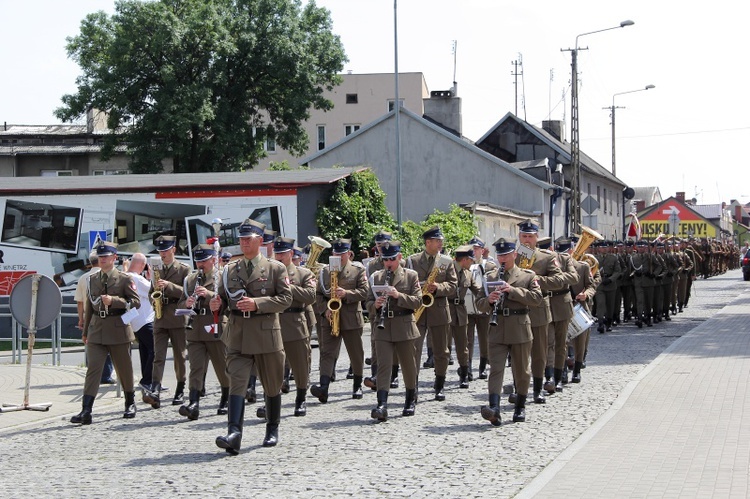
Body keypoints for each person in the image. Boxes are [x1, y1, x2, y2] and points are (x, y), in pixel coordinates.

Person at [211, 218, 292, 454]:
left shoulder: (276, 268)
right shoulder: (229, 270)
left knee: (272, 384)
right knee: (237, 381)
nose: (243, 243)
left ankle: (272, 428)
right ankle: (234, 432)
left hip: (266, 334)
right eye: (241, 239)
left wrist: (257, 303)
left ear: (259, 240)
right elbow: (224, 300)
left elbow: (285, 299)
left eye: (248, 239)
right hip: (237, 335)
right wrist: (217, 303)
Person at [70, 241, 141, 425]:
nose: (102, 259)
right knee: (93, 369)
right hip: (96, 329)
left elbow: (135, 302)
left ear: (114, 258)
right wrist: (85, 331)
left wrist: (115, 301)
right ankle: (86, 410)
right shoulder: (92, 279)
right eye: (100, 257)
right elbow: (89, 306)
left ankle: (130, 403)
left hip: (118, 328)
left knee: (124, 369)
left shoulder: (124, 278)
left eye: (106, 256)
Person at [476, 238, 542, 426]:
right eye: (500, 255)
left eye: (506, 254)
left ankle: (520, 406)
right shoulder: (490, 277)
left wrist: (512, 290)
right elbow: (479, 304)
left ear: (514, 254)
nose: (502, 258)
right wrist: (489, 300)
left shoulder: (527, 276)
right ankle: (494, 409)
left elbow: (536, 299)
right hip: (497, 329)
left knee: (521, 370)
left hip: (519, 327)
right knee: (495, 369)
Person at [365, 240, 422, 421]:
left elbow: (418, 301)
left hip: (404, 325)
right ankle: (382, 404)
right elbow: (366, 302)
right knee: (383, 366)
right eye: (385, 259)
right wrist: (375, 305)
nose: (388, 263)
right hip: (383, 328)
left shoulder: (410, 276)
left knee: (408, 365)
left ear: (399, 257)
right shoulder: (376, 277)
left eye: (391, 259)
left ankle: (410, 399)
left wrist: (399, 296)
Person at [513, 219, 565, 405]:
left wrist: (535, 280)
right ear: (519, 237)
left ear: (537, 237)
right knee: (518, 353)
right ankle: (519, 389)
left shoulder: (546, 257)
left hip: (538, 310)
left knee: (539, 352)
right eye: (523, 236)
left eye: (530, 236)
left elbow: (559, 280)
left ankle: (537, 389)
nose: (526, 240)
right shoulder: (514, 255)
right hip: (516, 309)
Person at [176, 244, 230, 420]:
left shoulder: (222, 277)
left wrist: (207, 294)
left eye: (204, 260)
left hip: (216, 326)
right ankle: (194, 402)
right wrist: (187, 304)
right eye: (198, 260)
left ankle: (226, 397)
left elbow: (227, 301)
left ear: (213, 260)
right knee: (196, 367)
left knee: (222, 365)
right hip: (196, 328)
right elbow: (180, 304)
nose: (200, 264)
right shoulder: (190, 280)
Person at [311, 238, 368, 403]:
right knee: (327, 353)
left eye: (342, 253)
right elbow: (318, 295)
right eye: (336, 253)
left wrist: (347, 294)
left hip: (350, 318)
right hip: (329, 318)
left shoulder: (357, 270)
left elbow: (365, 292)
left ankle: (357, 385)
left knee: (356, 353)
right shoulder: (324, 272)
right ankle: (323, 387)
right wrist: (325, 310)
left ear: (349, 254)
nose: (339, 256)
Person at [406, 226, 458, 402]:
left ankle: (439, 385)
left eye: (441, 240)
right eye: (438, 241)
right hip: (417, 311)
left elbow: (453, 286)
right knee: (414, 350)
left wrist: (438, 287)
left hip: (439, 311)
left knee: (442, 351)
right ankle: (413, 388)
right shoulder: (412, 261)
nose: (441, 243)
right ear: (428, 242)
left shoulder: (446, 261)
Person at [142, 235, 191, 408]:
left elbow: (188, 293)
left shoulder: (184, 269)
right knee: (158, 356)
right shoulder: (157, 269)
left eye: (165, 250)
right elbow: (150, 292)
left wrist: (168, 286)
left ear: (173, 250)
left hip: (178, 317)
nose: (162, 253)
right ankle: (155, 389)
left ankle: (180, 388)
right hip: (160, 317)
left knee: (180, 356)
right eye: (160, 251)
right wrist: (154, 300)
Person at [273, 236, 316, 417]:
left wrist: (289, 287)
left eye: (283, 253)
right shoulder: (269, 273)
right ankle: (271, 401)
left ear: (291, 253)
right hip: (273, 323)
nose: (279, 256)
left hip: (295, 323)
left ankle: (300, 399)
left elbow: (310, 296)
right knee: (273, 366)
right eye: (277, 253)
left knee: (300, 364)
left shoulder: (303, 274)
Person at [74, 250, 115, 385]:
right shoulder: (106, 275)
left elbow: (80, 302)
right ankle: (106, 375)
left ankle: (92, 373)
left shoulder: (83, 278)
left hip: (89, 317)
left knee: (91, 346)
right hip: (107, 315)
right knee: (107, 344)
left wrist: (81, 319)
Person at [544, 238, 578, 393]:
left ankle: (560, 374)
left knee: (561, 342)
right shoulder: (536, 260)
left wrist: (554, 280)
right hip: (544, 304)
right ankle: (549, 377)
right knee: (548, 342)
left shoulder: (564, 259)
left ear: (552, 248)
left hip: (562, 304)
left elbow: (574, 277)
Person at [448, 245, 482, 389]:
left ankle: (464, 374)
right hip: (446, 310)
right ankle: (440, 375)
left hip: (460, 312)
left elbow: (477, 291)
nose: (472, 262)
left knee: (463, 346)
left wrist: (489, 296)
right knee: (443, 347)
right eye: (471, 260)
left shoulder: (467, 273)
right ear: (465, 259)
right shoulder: (447, 271)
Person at [122, 253, 155, 393]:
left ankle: (149, 380)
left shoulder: (127, 276)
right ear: (143, 265)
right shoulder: (136, 277)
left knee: (145, 350)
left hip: (137, 321)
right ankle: (148, 380)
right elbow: (153, 290)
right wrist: (152, 276)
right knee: (155, 349)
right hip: (145, 320)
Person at [466, 237, 496, 380]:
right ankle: (467, 367)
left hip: (483, 308)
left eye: (476, 249)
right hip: (467, 309)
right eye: (471, 248)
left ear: (482, 250)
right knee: (468, 340)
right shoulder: (464, 265)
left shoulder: (489, 266)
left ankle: (483, 366)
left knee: (485, 339)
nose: (473, 251)